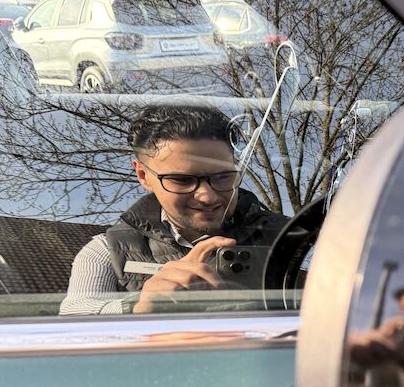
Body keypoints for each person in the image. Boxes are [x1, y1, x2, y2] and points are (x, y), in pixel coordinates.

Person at [60, 105, 288, 315]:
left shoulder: (292, 237)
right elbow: (72, 323)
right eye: (181, 180)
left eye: (223, 176)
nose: (207, 196)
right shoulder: (107, 251)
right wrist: (138, 308)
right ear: (143, 175)